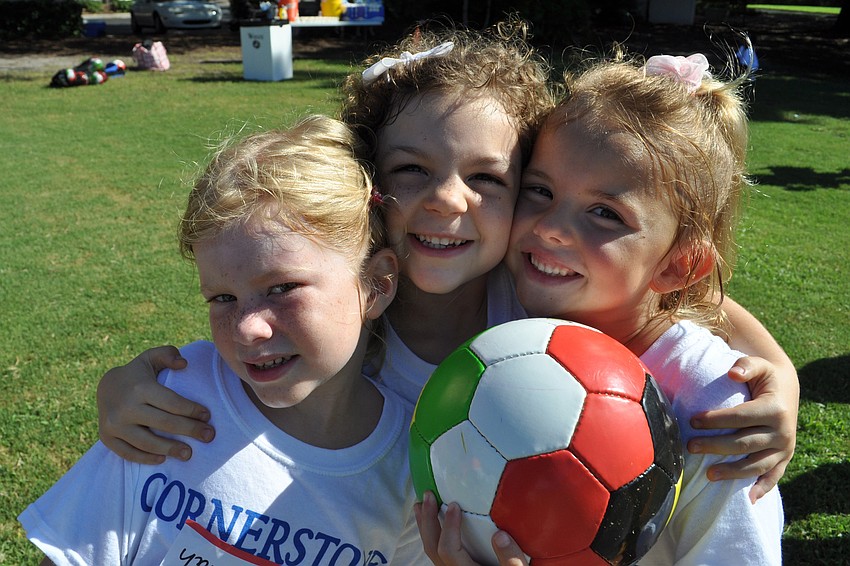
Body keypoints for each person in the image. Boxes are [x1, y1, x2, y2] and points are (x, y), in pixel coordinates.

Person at [96, 17, 794, 551]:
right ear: (369, 189)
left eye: (487, 178)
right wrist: (126, 388)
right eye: (411, 171)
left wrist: (782, 377)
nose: (447, 201)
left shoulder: (534, 297)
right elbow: (258, 317)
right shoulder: (341, 310)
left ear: (517, 191)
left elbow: (672, 295)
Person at [418, 49, 785, 565]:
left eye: (604, 213)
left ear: (677, 267)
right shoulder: (505, 307)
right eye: (540, 190)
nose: (550, 226)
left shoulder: (717, 406)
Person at [18, 115, 429, 565]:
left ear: (376, 286)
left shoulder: (412, 468)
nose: (246, 327)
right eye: (222, 297)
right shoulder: (170, 400)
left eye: (282, 288)